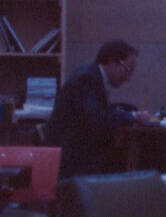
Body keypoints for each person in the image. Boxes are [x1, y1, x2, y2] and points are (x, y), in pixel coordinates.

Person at [51, 38, 156, 179]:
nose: (128, 78)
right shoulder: (86, 79)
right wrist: (134, 117)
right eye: (128, 70)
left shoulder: (91, 76)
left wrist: (128, 114)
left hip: (77, 157)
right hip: (74, 163)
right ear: (112, 62)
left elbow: (98, 112)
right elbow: (97, 119)